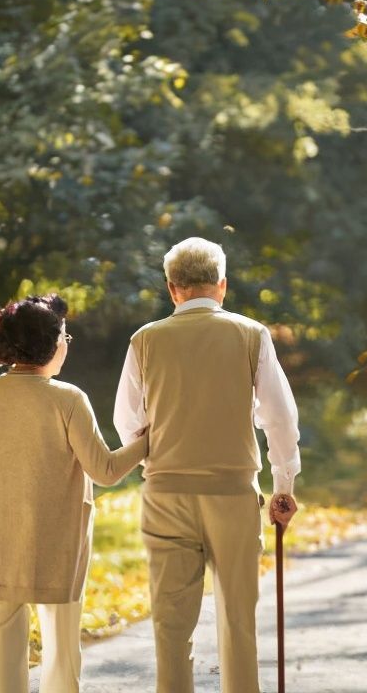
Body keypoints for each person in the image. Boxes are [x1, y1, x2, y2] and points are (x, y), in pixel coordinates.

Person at [114, 237, 301, 693]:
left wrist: (158, 452)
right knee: (238, 618)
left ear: (172, 288)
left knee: (171, 624)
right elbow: (279, 418)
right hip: (232, 494)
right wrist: (284, 485)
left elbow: (128, 422)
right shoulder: (250, 334)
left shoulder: (145, 340)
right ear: (222, 286)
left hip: (166, 495)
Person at [0, 293, 147, 693]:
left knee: (3, 644)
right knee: (61, 642)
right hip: (56, 539)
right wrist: (148, 441)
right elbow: (105, 470)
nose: (67, 344)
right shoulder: (68, 399)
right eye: (64, 336)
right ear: (49, 343)